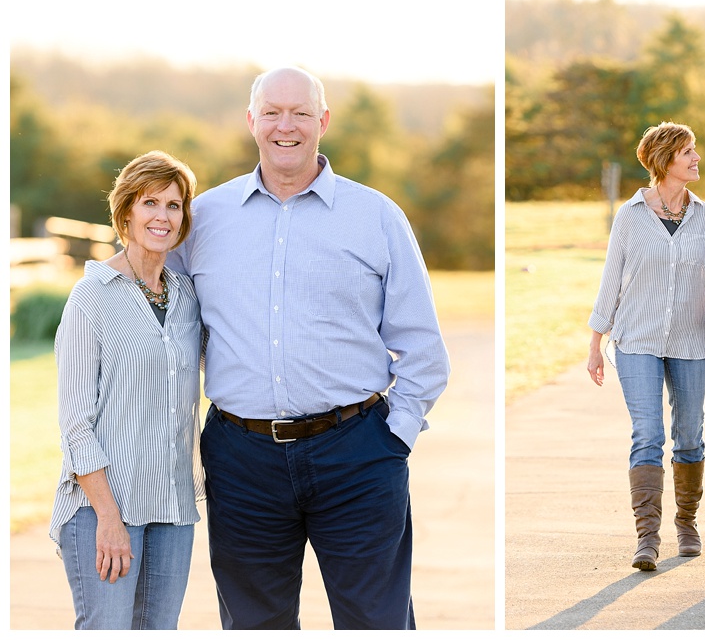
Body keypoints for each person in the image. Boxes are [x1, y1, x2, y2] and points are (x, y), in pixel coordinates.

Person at [167, 66, 450, 630]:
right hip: (240, 459)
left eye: (300, 113)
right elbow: (170, 334)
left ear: (323, 122)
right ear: (252, 122)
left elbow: (422, 345)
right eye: (272, 112)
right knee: (254, 625)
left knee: (377, 621)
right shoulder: (204, 221)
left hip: (358, 454)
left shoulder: (375, 216)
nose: (285, 126)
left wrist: (395, 435)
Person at [49, 150, 202, 630]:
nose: (162, 216)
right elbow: (75, 423)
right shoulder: (92, 296)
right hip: (104, 507)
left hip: (173, 507)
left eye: (173, 205)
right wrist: (109, 519)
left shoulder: (187, 297)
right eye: (150, 203)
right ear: (126, 214)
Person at [587, 121, 705, 571]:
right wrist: (596, 343)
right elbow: (611, 279)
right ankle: (647, 539)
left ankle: (686, 523)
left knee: (689, 436)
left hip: (691, 341)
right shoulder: (630, 216)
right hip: (637, 339)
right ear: (665, 159)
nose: (696, 159)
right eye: (688, 151)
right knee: (647, 435)